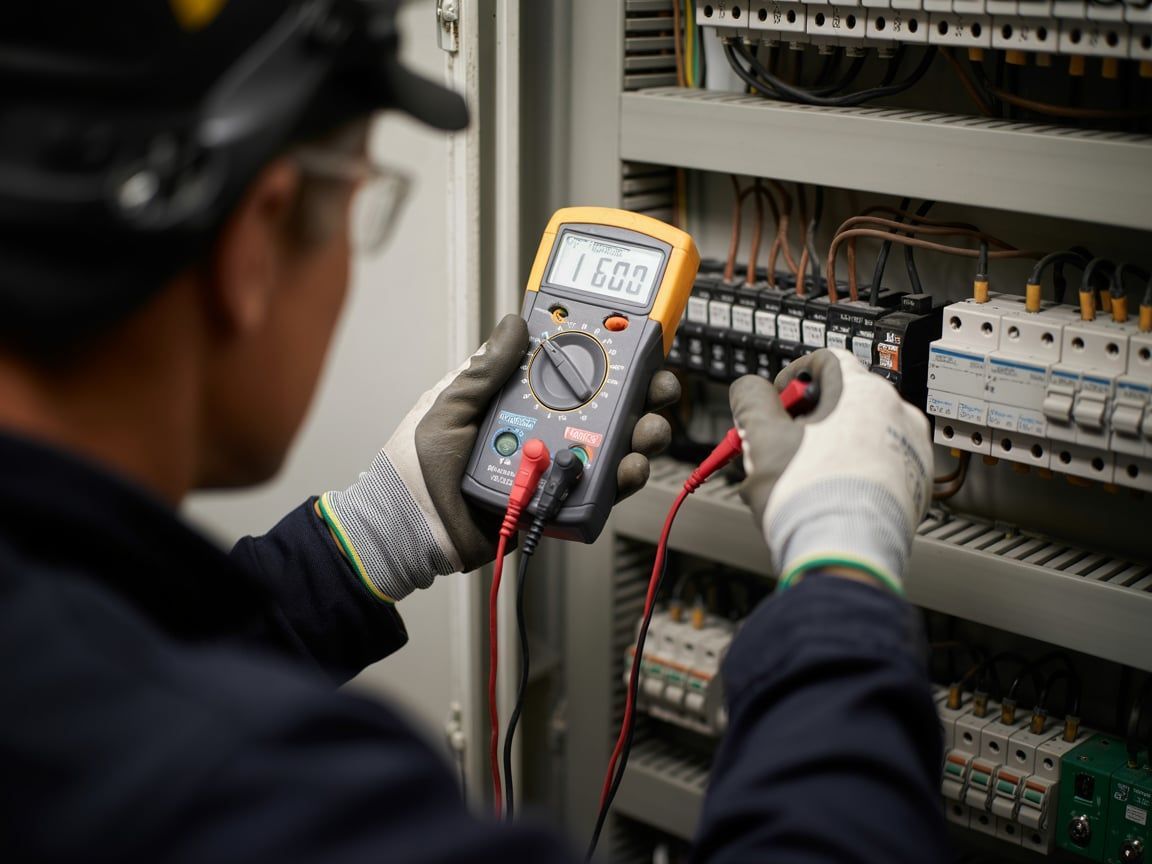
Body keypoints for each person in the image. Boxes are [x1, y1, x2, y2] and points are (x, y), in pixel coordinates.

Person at [0, 2, 948, 862]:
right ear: (259, 241)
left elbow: (137, 650)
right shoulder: (288, 805)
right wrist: (843, 566)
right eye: (362, 202)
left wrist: (380, 529)